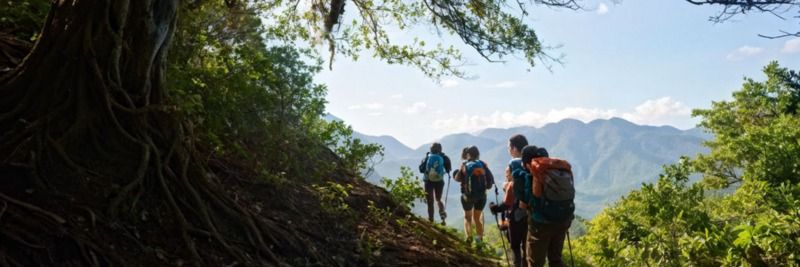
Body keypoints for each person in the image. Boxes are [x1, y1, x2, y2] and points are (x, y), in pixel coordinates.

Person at [514, 145, 574, 267]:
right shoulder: (556, 172)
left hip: (540, 225)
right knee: (555, 260)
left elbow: (523, 204)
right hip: (563, 221)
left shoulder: (525, 176)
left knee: (535, 263)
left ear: (526, 163)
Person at [490, 134, 529, 267]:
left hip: (517, 212)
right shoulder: (532, 161)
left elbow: (511, 194)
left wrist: (496, 208)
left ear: (514, 148)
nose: (508, 149)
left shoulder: (514, 163)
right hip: (533, 211)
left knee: (515, 246)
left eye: (509, 147)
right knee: (527, 246)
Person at [453, 145, 494, 245]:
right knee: (477, 218)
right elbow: (490, 182)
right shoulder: (482, 164)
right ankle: (479, 241)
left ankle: (469, 238)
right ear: (478, 154)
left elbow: (457, 179)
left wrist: (460, 170)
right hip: (481, 196)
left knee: (468, 217)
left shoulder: (465, 165)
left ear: (467, 154)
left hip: (467, 196)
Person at [418, 142, 452, 223]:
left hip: (428, 181)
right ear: (440, 149)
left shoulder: (427, 157)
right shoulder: (444, 157)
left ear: (431, 149)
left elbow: (421, 169)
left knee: (430, 201)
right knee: (438, 199)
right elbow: (448, 169)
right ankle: (442, 215)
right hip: (439, 181)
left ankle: (431, 220)